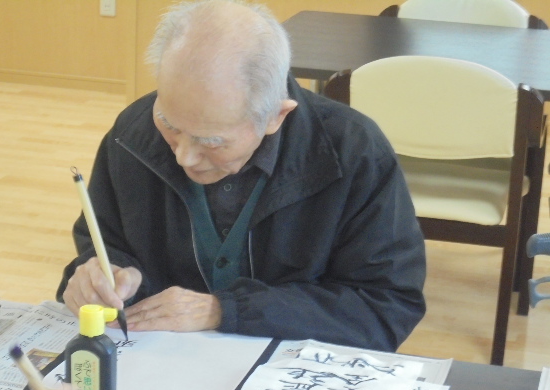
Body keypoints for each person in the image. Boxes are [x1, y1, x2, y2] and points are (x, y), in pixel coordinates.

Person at [57, 0, 426, 352]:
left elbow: (384, 306)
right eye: (169, 123)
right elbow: (104, 240)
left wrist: (226, 310)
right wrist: (108, 275)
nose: (184, 156)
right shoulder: (133, 134)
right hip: (163, 361)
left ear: (276, 116)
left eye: (211, 141)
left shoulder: (353, 152)